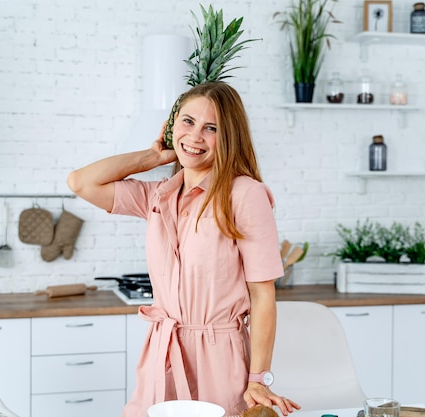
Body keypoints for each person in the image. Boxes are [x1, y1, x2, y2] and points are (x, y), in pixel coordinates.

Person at [67, 81, 300, 417]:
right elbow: (81, 182)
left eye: (211, 128)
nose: (195, 136)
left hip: (221, 358)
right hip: (162, 353)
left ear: (229, 137)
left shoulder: (245, 195)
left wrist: (258, 378)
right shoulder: (157, 196)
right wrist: (153, 156)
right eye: (188, 122)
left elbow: (263, 296)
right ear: (172, 125)